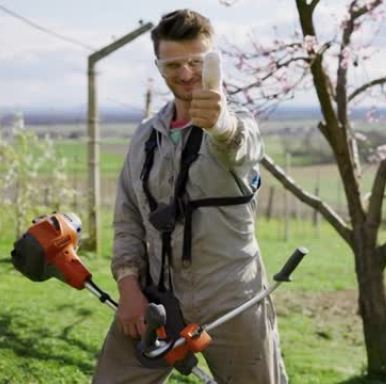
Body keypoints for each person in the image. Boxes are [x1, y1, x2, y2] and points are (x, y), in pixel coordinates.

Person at [92, 9, 286, 384]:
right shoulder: (145, 137)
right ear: (158, 66)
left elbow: (242, 146)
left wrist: (220, 123)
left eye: (196, 62)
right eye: (172, 64)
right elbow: (129, 217)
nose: (185, 74)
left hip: (232, 296)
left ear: (214, 61)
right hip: (156, 297)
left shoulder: (236, 124)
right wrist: (128, 287)